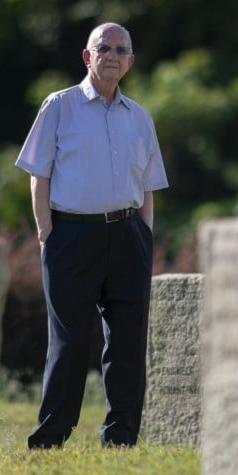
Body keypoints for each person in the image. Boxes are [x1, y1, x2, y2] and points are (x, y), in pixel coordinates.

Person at [15, 22, 169, 448]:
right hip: (70, 236)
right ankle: (51, 438)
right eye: (104, 47)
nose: (113, 55)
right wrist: (47, 231)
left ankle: (121, 438)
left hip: (127, 237)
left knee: (127, 341)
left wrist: (144, 236)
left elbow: (148, 188)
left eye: (122, 50)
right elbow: (38, 174)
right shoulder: (59, 106)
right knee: (69, 342)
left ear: (131, 62)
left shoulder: (139, 118)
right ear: (87, 56)